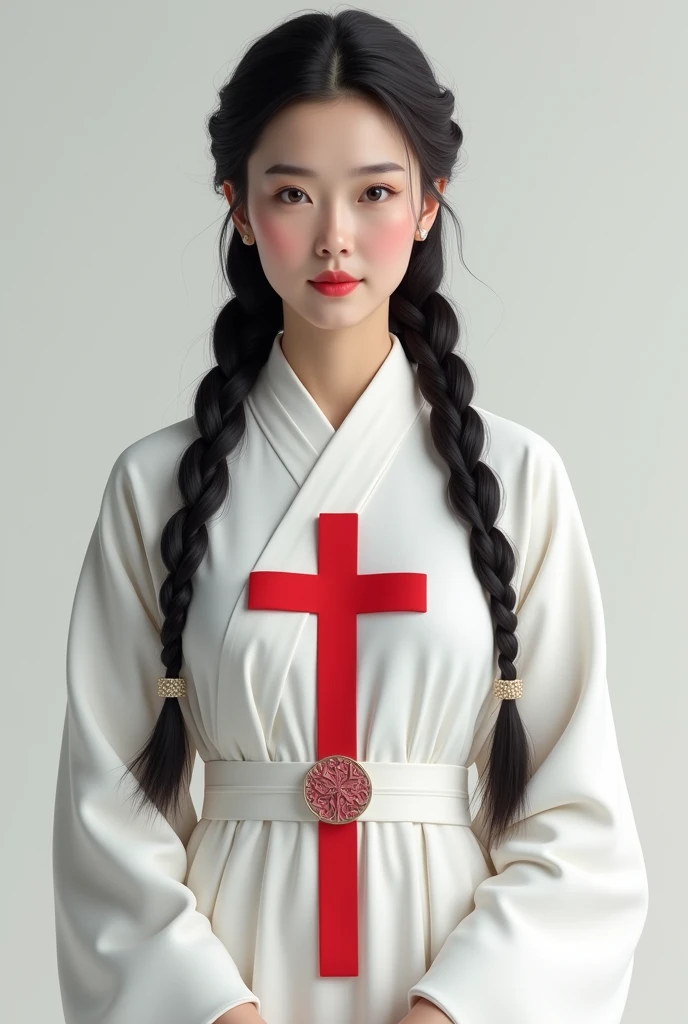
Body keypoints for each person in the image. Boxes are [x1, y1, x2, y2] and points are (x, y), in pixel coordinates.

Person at [52, 9, 649, 1024]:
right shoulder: (155, 486)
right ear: (238, 207)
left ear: (426, 205)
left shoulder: (517, 477)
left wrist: (451, 1011)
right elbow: (107, 807)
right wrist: (216, 1013)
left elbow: (576, 817)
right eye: (291, 192)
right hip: (229, 978)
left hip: (448, 985)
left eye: (374, 192)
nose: (334, 236)